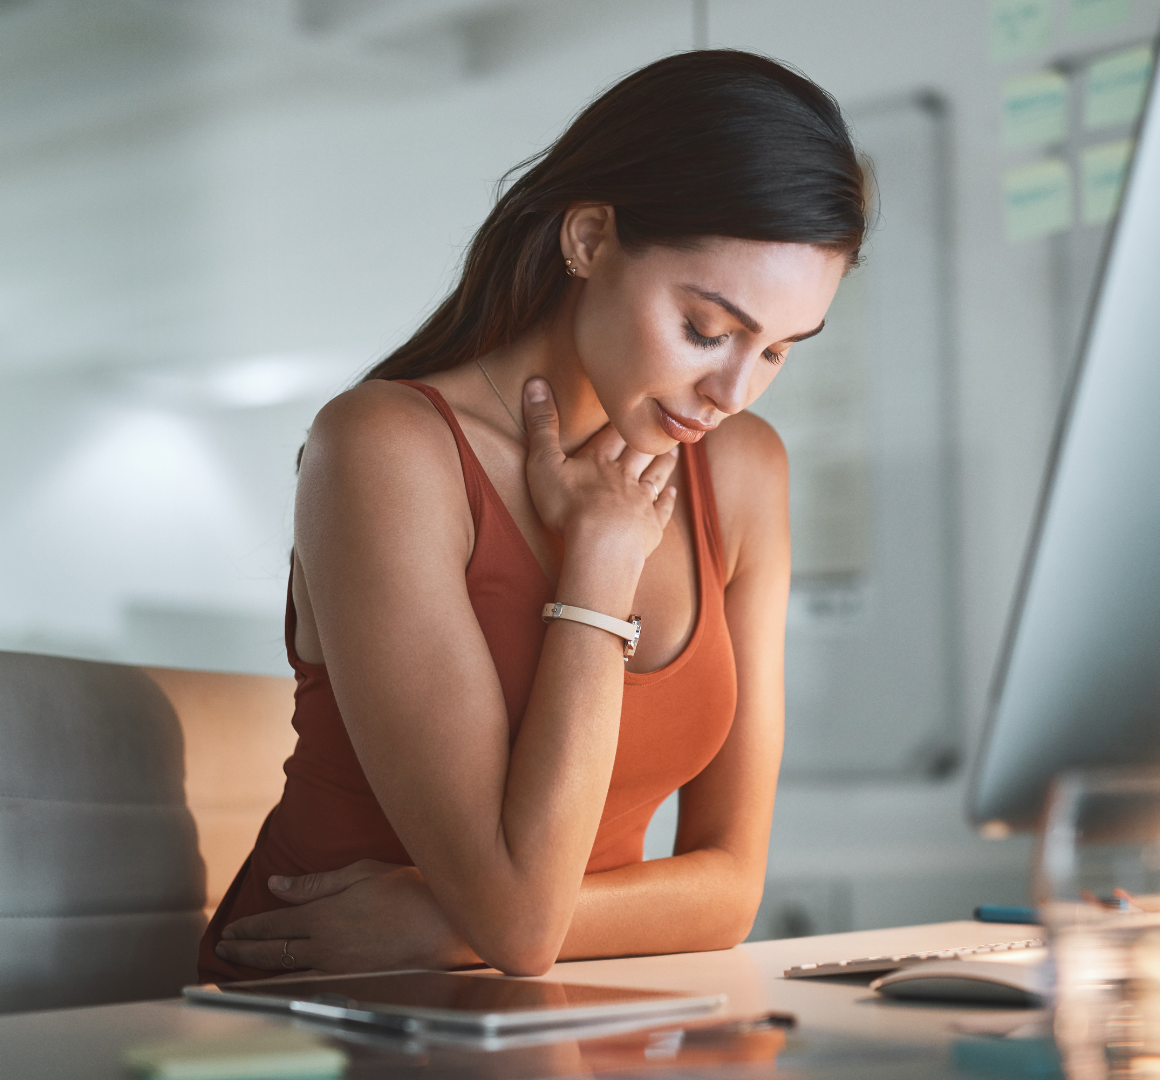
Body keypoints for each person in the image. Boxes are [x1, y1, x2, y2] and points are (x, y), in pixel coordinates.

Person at [199, 49, 866, 981]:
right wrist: (602, 555)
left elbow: (730, 888)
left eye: (778, 351)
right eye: (706, 330)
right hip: (323, 1003)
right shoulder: (386, 449)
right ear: (590, 238)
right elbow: (518, 923)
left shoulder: (743, 471)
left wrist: (440, 924)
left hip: (564, 1003)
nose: (731, 391)